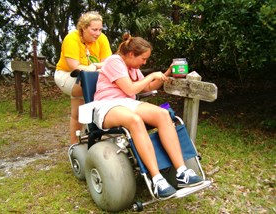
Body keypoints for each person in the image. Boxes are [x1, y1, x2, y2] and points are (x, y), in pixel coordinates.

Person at [92, 33, 203, 199]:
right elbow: (130, 89)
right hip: (107, 105)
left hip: (127, 103)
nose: (144, 62)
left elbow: (147, 87)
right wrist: (151, 74)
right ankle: (157, 179)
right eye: (143, 59)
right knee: (134, 120)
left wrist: (166, 73)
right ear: (131, 54)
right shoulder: (114, 61)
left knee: (163, 115)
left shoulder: (133, 68)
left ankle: (182, 172)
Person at [54, 11, 112, 144]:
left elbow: (107, 64)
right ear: (84, 28)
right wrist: (95, 67)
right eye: (94, 29)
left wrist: (95, 67)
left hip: (91, 76)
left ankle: (82, 141)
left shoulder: (102, 39)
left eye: (100, 29)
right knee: (91, 91)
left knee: (78, 111)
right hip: (67, 75)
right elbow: (74, 67)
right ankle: (83, 140)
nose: (98, 33)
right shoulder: (72, 38)